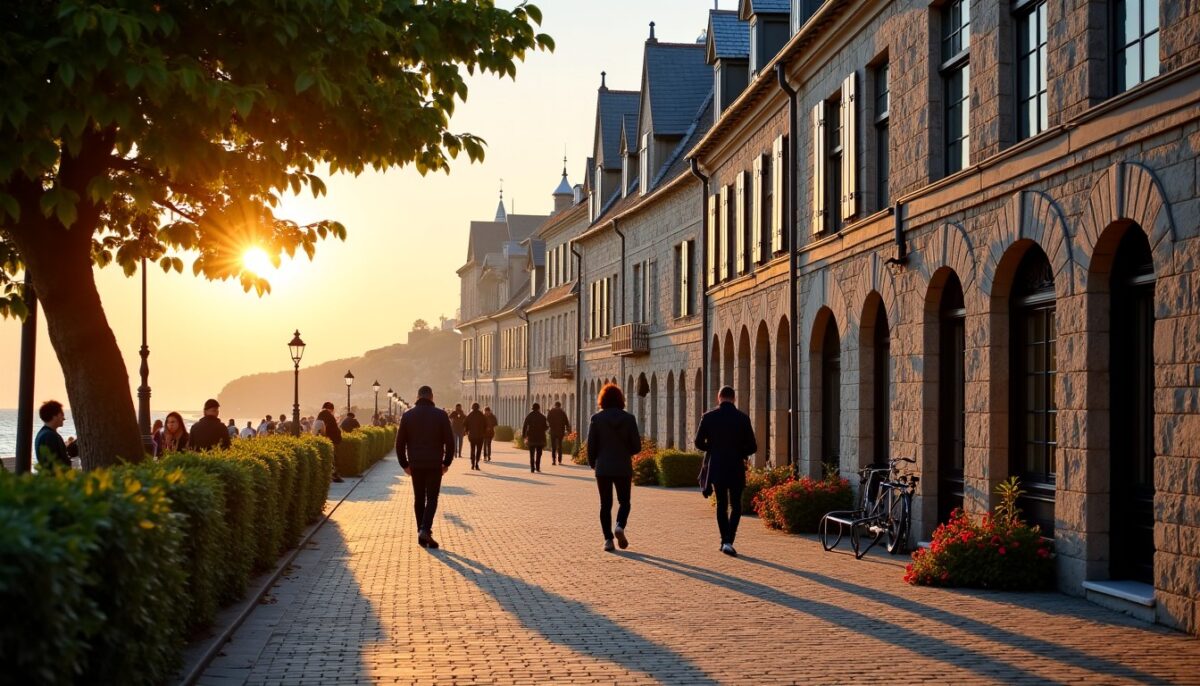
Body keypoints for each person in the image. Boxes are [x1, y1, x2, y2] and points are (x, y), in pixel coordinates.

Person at [695, 385, 758, 557]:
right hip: (736, 466)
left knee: (721, 504)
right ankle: (729, 539)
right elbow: (753, 446)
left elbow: (698, 442)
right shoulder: (743, 418)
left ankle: (725, 540)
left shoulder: (708, 417)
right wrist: (739, 452)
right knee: (736, 505)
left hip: (717, 466)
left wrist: (713, 448)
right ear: (734, 398)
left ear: (719, 397)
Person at [395, 385, 455, 549]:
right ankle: (425, 530)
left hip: (416, 464)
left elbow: (399, 443)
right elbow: (450, 442)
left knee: (419, 498)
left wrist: (404, 464)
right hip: (434, 463)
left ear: (417, 396)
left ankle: (421, 534)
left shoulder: (408, 415)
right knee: (432, 498)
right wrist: (446, 463)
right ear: (432, 397)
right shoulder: (441, 415)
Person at [587, 384, 641, 552]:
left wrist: (593, 463)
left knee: (605, 504)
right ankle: (619, 526)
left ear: (602, 399)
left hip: (603, 467)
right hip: (623, 466)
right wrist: (625, 452)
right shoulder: (629, 418)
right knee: (624, 502)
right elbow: (637, 446)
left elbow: (591, 446)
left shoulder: (596, 419)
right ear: (620, 399)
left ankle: (608, 540)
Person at [33, 400, 78, 469]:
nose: (63, 418)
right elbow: (54, 464)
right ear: (54, 416)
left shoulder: (44, 434)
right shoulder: (49, 436)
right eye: (62, 414)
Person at [317, 401, 345, 483]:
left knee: (330, 458)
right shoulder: (329, 415)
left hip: (325, 440)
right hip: (332, 440)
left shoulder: (321, 414)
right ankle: (335, 476)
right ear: (331, 409)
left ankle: (332, 475)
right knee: (333, 458)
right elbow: (333, 429)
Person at [522, 403, 549, 473]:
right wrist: (544, 428)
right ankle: (537, 467)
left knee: (532, 453)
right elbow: (546, 427)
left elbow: (525, 426)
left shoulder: (529, 416)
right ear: (539, 408)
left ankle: (532, 468)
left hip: (531, 437)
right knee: (539, 453)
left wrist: (524, 435)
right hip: (540, 437)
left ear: (532, 408)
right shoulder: (542, 416)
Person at [547, 401, 571, 466]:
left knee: (553, 446)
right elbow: (566, 422)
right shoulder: (562, 412)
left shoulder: (551, 411)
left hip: (553, 431)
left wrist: (551, 425)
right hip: (560, 431)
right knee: (560, 446)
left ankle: (553, 461)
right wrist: (568, 430)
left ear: (555, 405)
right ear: (560, 406)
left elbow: (548, 420)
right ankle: (560, 460)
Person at [464, 402, 487, 470]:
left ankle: (472, 463)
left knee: (472, 449)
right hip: (480, 436)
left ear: (472, 407)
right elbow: (486, 424)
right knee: (479, 450)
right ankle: (477, 463)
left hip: (472, 436)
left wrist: (467, 430)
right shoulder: (481, 415)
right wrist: (484, 432)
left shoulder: (470, 415)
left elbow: (465, 423)